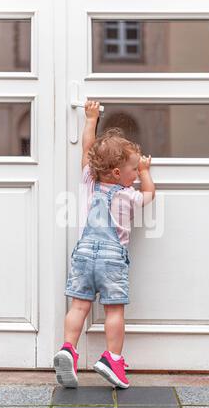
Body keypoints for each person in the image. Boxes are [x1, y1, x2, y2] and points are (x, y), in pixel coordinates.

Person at [54, 100, 155, 388]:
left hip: (84, 254)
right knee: (114, 310)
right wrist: (148, 173)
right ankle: (112, 358)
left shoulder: (89, 180)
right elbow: (149, 195)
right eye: (134, 170)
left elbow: (87, 149)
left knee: (79, 306)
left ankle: (68, 350)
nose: (136, 175)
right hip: (112, 259)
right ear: (117, 174)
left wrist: (90, 119)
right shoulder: (128, 196)